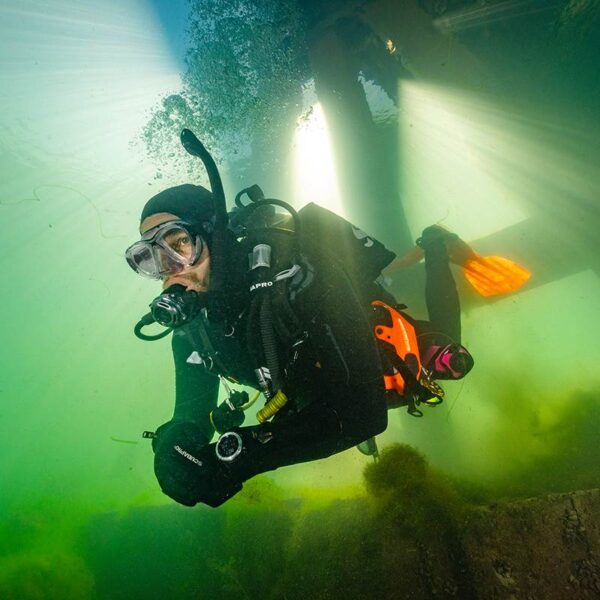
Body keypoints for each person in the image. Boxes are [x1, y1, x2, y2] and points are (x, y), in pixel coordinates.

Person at [126, 180, 475, 508]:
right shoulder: (191, 330)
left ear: (214, 235)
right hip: (314, 398)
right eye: (151, 258)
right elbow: (191, 415)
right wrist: (175, 444)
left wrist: (244, 456)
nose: (170, 270)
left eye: (179, 245)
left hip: (379, 354)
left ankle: (435, 246)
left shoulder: (300, 274)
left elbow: (363, 413)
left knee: (447, 354)